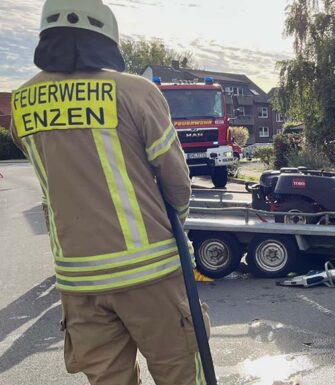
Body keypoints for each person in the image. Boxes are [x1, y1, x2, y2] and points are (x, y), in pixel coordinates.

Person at [9, 0, 209, 383]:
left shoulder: (22, 102)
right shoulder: (136, 92)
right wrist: (175, 226)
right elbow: (177, 181)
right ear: (105, 36)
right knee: (182, 374)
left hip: (78, 280)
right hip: (150, 273)